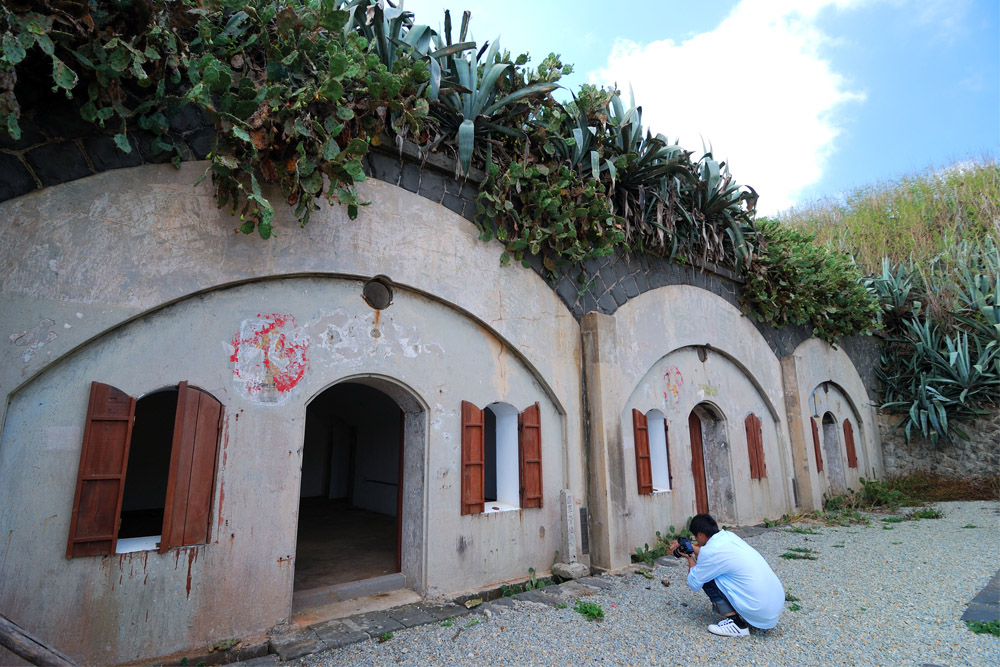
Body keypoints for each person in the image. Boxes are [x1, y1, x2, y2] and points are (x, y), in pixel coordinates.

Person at [669, 513, 784, 637]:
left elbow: (693, 582)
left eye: (695, 538)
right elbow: (711, 554)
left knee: (705, 577)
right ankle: (742, 614)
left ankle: (737, 624)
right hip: (773, 607)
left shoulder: (710, 553)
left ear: (701, 535)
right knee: (714, 571)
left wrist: (689, 557)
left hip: (759, 610)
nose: (696, 541)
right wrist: (691, 548)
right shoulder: (728, 536)